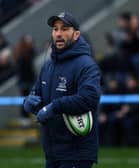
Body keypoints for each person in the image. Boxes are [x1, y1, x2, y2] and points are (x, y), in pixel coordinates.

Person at [23, 12, 101, 168]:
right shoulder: (48, 65)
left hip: (76, 154)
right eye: (55, 29)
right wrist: (28, 102)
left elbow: (89, 98)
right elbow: (36, 93)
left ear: (76, 34)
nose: (58, 34)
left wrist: (55, 107)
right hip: (52, 152)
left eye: (64, 29)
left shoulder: (86, 64)